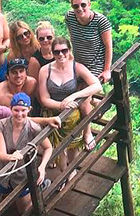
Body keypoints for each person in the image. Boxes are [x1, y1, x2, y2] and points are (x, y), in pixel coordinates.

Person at [38, 37, 102, 183]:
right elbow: (44, 98)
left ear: (69, 51)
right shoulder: (45, 70)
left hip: (73, 112)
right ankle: (65, 173)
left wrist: (75, 96)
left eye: (64, 51)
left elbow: (97, 85)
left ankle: (72, 169)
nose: (61, 55)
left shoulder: (76, 67)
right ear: (52, 53)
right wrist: (61, 105)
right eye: (57, 52)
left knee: (73, 145)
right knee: (58, 148)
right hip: (54, 112)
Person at [0, 92, 53, 214]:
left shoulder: (34, 128)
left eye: (23, 110)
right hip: (3, 171)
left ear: (29, 110)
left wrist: (42, 167)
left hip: (23, 173)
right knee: (2, 200)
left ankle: (39, 189)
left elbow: (48, 148)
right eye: (16, 110)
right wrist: (11, 156)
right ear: (10, 109)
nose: (19, 114)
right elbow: (1, 154)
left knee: (23, 210)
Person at [64, 0, 113, 82]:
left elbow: (108, 47)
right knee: (67, 87)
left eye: (83, 5)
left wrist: (107, 70)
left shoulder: (100, 21)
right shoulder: (70, 17)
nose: (80, 8)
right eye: (76, 6)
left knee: (85, 92)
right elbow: (72, 38)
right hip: (78, 63)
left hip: (96, 65)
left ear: (89, 4)